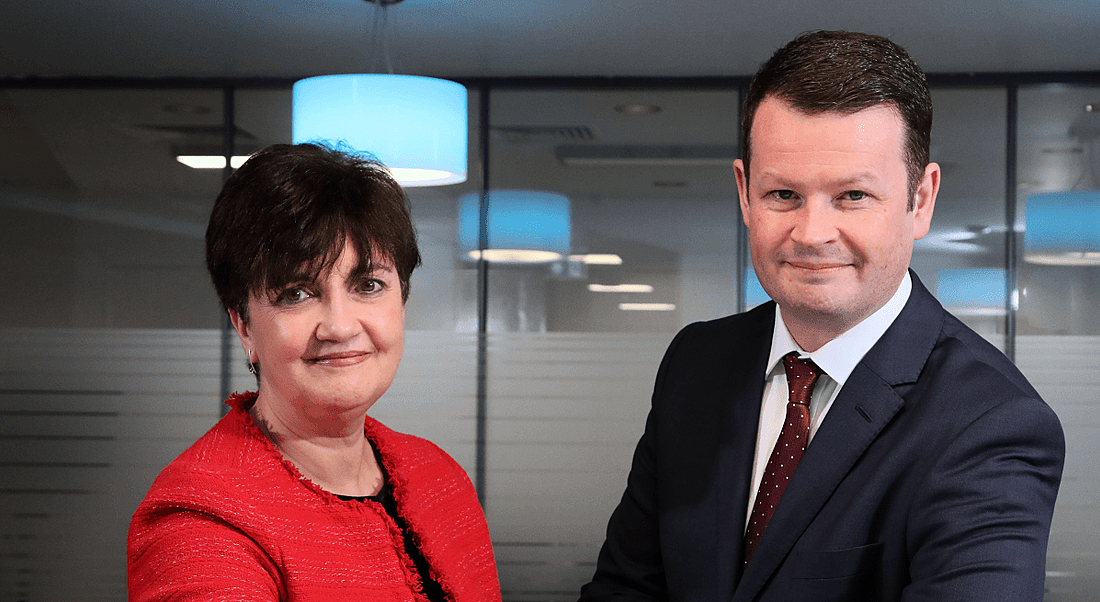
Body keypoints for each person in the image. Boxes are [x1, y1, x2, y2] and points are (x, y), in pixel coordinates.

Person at [579, 31, 1064, 602]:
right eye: (783, 194)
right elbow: (626, 588)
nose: (811, 234)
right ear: (743, 193)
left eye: (854, 196)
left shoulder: (992, 424)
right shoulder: (698, 362)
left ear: (921, 200)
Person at [128, 143, 501, 602]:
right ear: (243, 324)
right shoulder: (201, 516)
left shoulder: (440, 480)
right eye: (297, 293)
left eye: (369, 285)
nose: (341, 326)